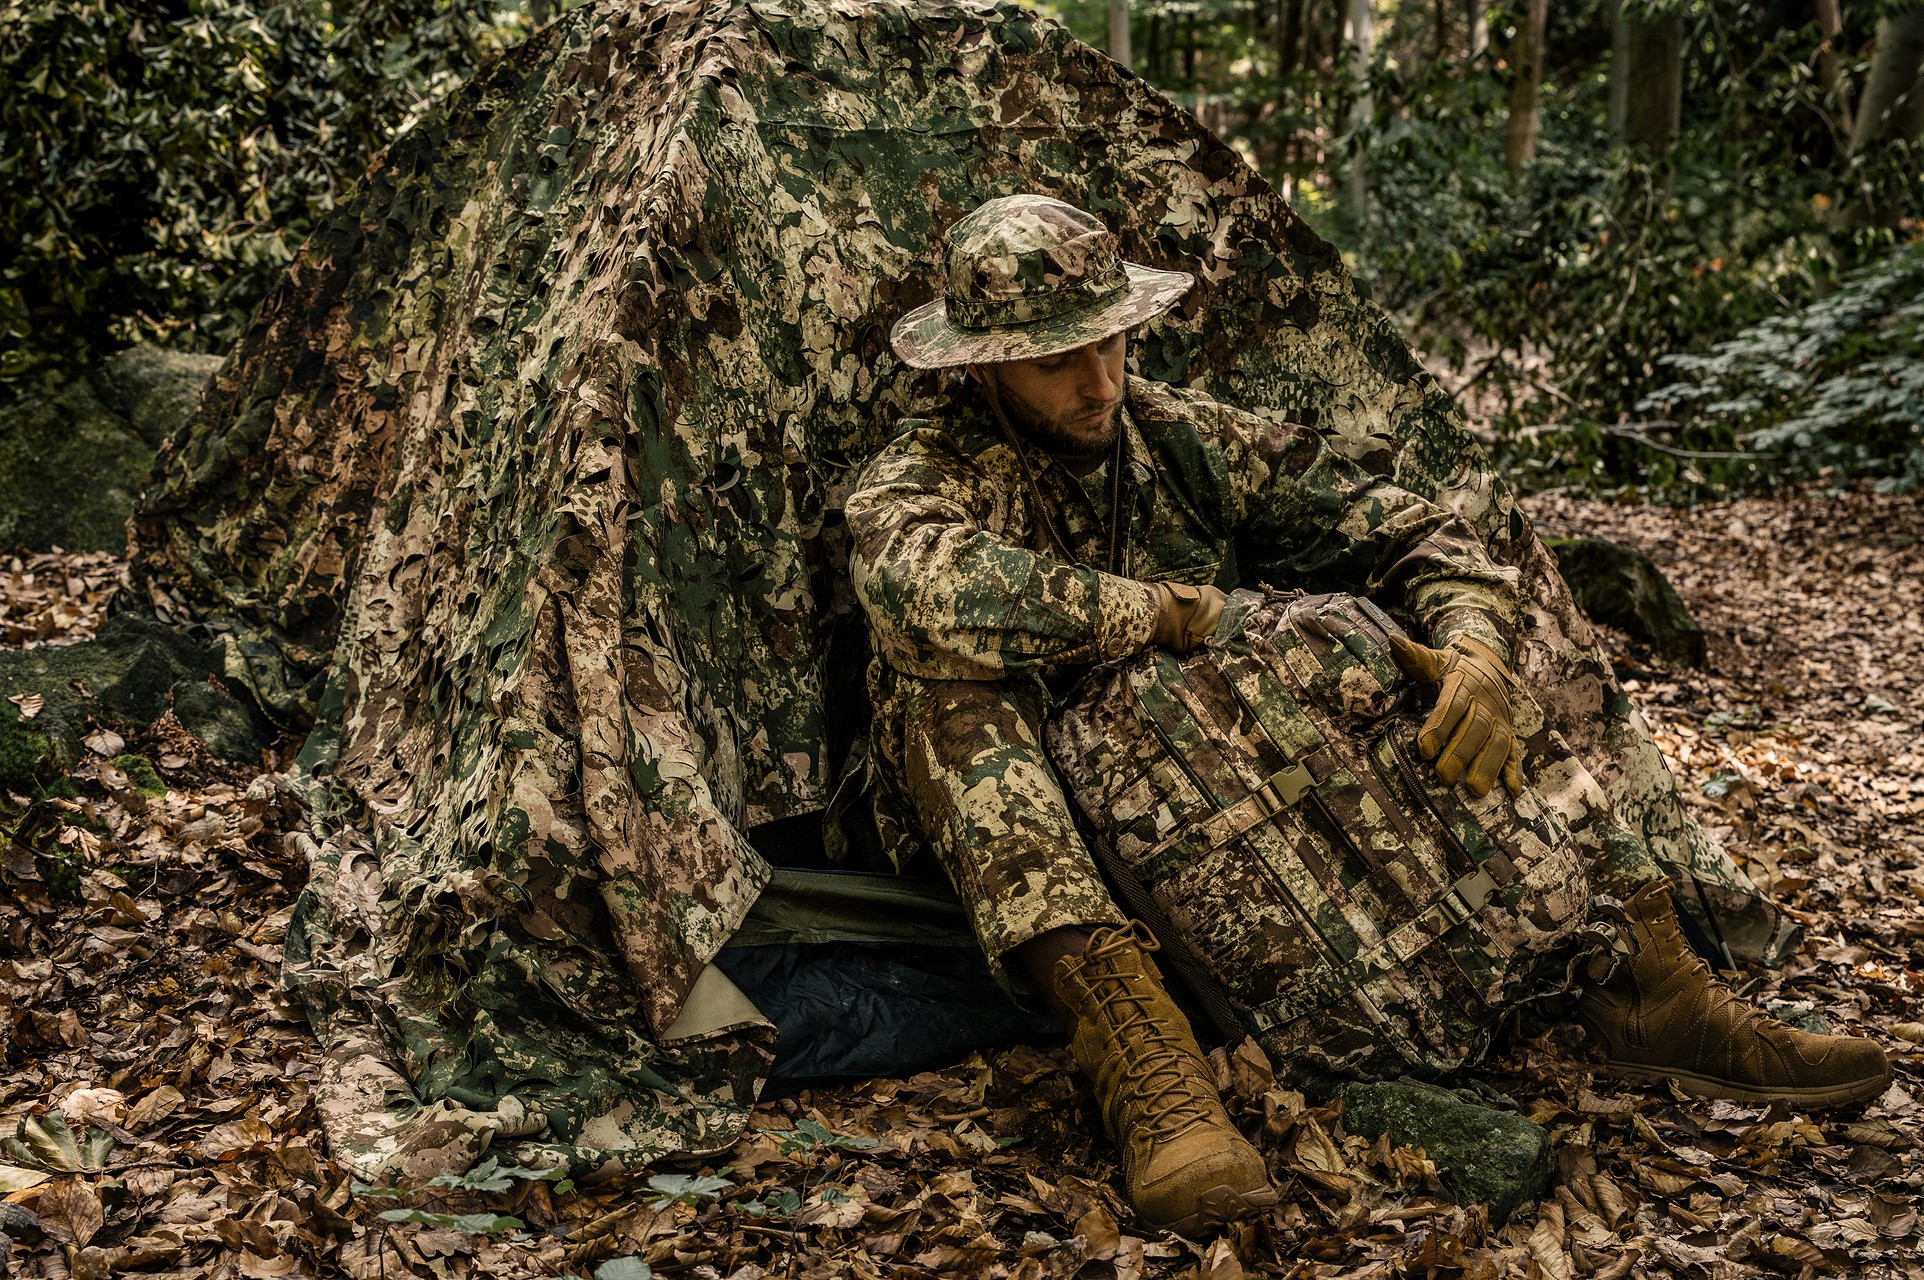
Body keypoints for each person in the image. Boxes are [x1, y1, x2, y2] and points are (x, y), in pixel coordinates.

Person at [843, 194, 1891, 1236]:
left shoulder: (1173, 433)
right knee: (946, 694)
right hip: (1037, 812)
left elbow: (1414, 530)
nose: (1099, 381)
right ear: (978, 366)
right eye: (1056, 360)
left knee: (1432, 648)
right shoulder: (922, 476)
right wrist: (1168, 612)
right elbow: (916, 587)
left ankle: (1654, 984)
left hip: (1197, 774)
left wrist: (1475, 646)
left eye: (1112, 342)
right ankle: (1144, 1058)